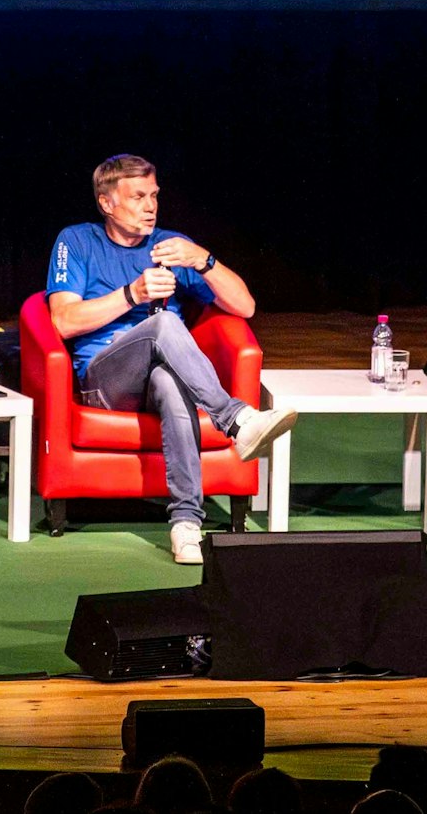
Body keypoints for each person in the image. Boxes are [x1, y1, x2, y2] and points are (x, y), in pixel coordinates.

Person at [46, 154, 296, 564]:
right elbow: (64, 321)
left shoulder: (170, 245)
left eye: (154, 195)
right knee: (162, 325)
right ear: (107, 203)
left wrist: (203, 259)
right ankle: (237, 419)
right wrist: (134, 294)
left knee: (169, 382)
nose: (150, 206)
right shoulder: (77, 241)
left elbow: (245, 306)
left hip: (157, 380)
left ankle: (186, 525)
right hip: (105, 384)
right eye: (138, 196)